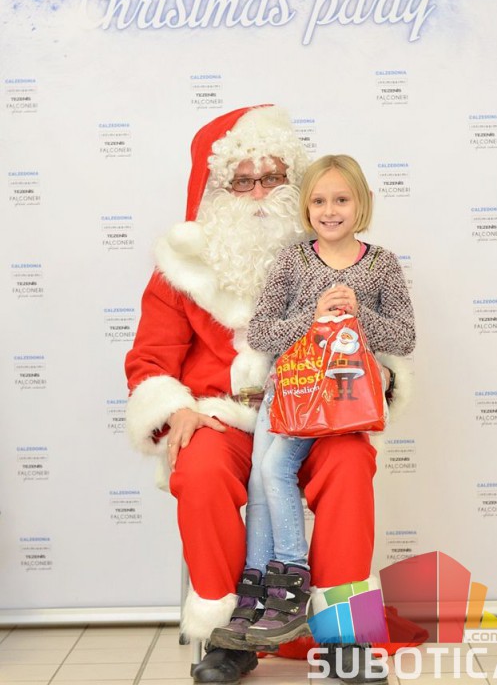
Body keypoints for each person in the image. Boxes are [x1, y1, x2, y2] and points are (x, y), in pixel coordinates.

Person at [125, 106, 412, 685]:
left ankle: (343, 633)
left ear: (296, 184)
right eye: (243, 180)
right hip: (225, 418)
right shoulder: (179, 271)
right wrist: (176, 409)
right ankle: (228, 634)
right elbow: (150, 360)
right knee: (201, 472)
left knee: (349, 464)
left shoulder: (330, 251)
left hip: (318, 412)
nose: (259, 192)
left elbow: (384, 341)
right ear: (217, 190)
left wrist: (376, 378)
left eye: (273, 176)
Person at [210, 155, 415, 651]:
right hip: (290, 393)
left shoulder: (382, 264)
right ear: (306, 207)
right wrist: (314, 315)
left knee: (278, 468)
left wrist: (358, 314)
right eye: (319, 201)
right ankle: (258, 592)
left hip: (343, 398)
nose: (329, 210)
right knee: (261, 480)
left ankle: (294, 582)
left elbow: (404, 337)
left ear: (362, 204)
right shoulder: (293, 262)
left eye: (341, 200)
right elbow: (262, 333)